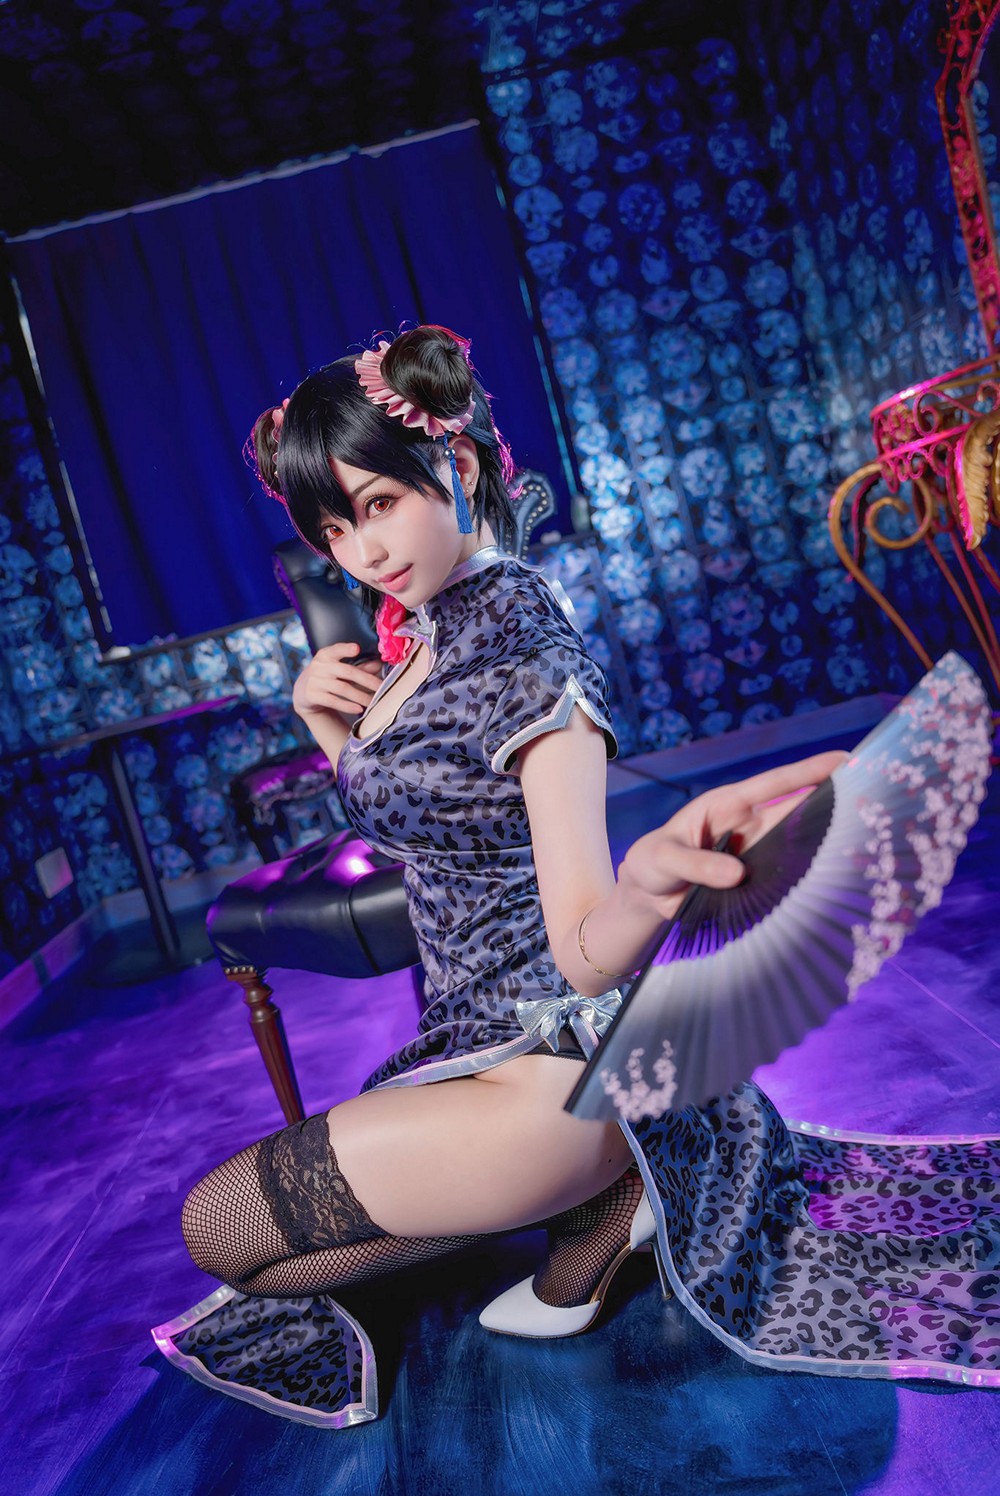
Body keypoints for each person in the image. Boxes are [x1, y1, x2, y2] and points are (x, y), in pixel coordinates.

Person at [154, 325, 1000, 1427]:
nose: (363, 550)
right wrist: (331, 731)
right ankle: (604, 1203)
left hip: (556, 1071)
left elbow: (581, 948)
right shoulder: (428, 629)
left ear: (456, 465)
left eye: (379, 503)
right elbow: (437, 830)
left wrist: (647, 884)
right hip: (476, 1051)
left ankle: (616, 1174)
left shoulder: (522, 654)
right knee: (253, 1243)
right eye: (334, 528)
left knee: (220, 1229)